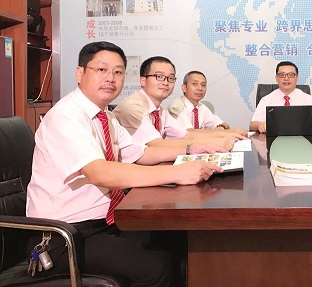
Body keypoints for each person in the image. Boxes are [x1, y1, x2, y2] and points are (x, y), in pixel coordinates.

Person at [26, 41, 223, 286]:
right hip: (65, 236)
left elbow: (140, 153)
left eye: (118, 72)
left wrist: (191, 150)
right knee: (155, 266)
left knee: (176, 239)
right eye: (101, 70)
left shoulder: (106, 116)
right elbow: (100, 173)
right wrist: (178, 173)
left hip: (106, 222)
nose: (111, 78)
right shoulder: (66, 115)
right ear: (79, 73)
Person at [114, 56, 244, 151]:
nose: (165, 82)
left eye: (170, 78)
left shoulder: (160, 110)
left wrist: (227, 134)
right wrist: (216, 141)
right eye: (159, 76)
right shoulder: (133, 107)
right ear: (143, 80)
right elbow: (155, 144)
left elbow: (186, 135)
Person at [249, 61, 312, 133]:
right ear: (276, 78)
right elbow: (252, 125)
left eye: (291, 75)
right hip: (273, 139)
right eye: (282, 75)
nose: (286, 78)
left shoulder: (309, 99)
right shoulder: (266, 100)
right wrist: (261, 125)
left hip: (302, 138)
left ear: (297, 78)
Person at [167, 70, 247, 135]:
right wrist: (217, 131)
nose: (200, 88)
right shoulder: (176, 108)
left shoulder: (201, 107)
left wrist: (220, 128)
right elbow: (189, 133)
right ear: (184, 88)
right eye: (194, 84)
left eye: (203, 85)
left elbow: (224, 125)